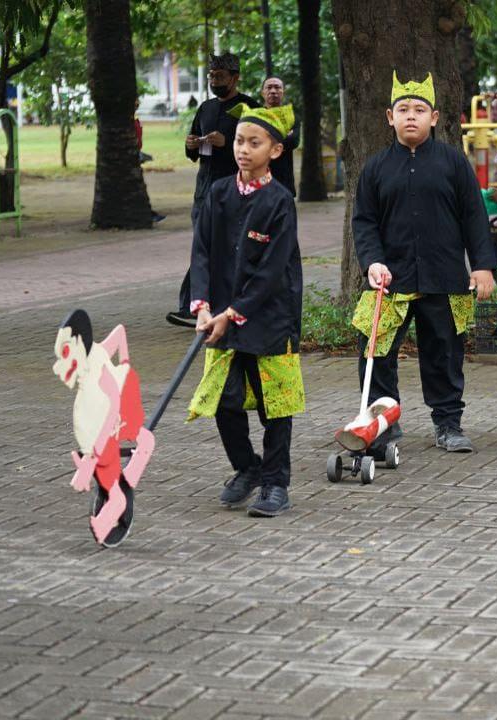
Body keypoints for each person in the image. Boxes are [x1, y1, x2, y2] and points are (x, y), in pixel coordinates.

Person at [351, 72, 497, 454]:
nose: (411, 116)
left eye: (419, 110)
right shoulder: (375, 168)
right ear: (389, 117)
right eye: (403, 110)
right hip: (390, 279)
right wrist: (372, 262)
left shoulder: (453, 162)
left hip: (443, 276)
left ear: (434, 118)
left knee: (444, 353)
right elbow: (364, 221)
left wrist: (482, 265)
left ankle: (448, 424)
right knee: (375, 350)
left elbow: (473, 216)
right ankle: (383, 424)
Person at [185, 102, 304, 518]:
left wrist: (232, 311)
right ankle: (247, 468)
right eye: (239, 140)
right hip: (219, 318)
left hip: (270, 318)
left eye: (254, 143)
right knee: (224, 399)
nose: (243, 149)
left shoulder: (280, 202)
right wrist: (202, 306)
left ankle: (275, 483)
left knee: (276, 405)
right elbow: (200, 253)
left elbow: (271, 272)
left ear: (275, 150)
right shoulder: (217, 194)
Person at [168, 53, 259, 328]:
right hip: (204, 189)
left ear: (235, 77)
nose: (214, 81)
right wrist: (191, 144)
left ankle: (222, 305)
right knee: (204, 246)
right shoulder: (206, 109)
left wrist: (228, 141)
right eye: (211, 76)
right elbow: (192, 153)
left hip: (234, 189)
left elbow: (257, 148)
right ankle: (192, 306)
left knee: (226, 247)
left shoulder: (248, 108)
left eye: (220, 76)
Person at [260, 76, 300, 198]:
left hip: (284, 181)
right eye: (269, 87)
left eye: (277, 87)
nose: (273, 91)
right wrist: (282, 135)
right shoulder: (254, 116)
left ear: (283, 92)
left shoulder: (291, 117)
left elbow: (293, 142)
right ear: (263, 92)